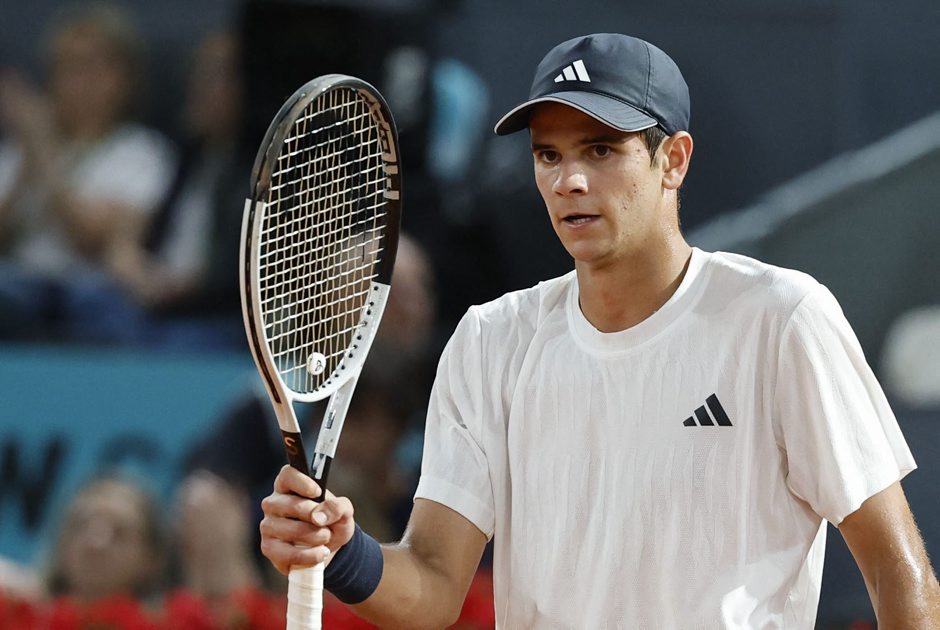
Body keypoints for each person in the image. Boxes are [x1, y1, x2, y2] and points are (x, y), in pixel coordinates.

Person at [257, 33, 940, 628]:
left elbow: (898, 571)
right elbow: (433, 588)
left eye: (601, 150)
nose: (570, 180)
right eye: (548, 156)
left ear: (673, 160)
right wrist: (343, 552)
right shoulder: (490, 341)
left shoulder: (782, 319)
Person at [0, 1, 175, 341]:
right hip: (15, 287)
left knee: (97, 302)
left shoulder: (141, 151)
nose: (77, 82)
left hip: (86, 292)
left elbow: (90, 238)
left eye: (89, 67)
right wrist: (26, 167)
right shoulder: (15, 152)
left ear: (121, 78)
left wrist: (44, 150)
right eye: (65, 68)